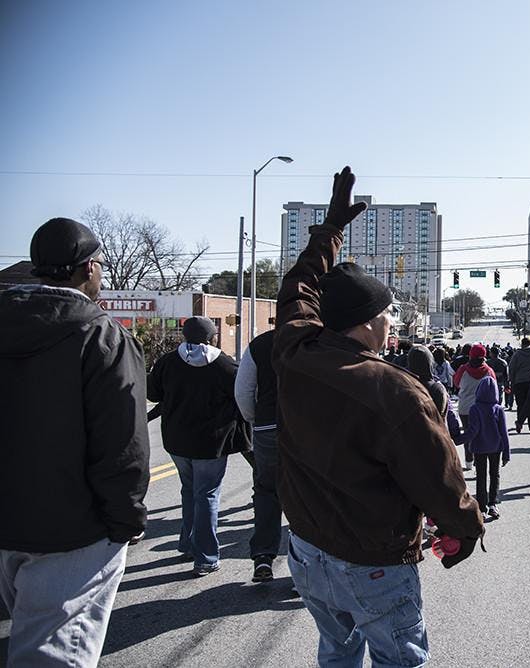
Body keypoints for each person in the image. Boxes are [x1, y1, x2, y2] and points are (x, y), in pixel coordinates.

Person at [273, 166, 484, 666]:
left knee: (337, 654)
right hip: (370, 563)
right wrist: (467, 528)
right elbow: (439, 480)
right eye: (389, 313)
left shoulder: (294, 350)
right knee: (398, 660)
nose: (393, 321)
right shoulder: (395, 391)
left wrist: (330, 230)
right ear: (368, 323)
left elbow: (299, 285)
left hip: (305, 548)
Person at [0, 217, 150, 667]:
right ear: (88, 268)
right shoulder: (100, 335)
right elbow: (122, 442)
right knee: (51, 654)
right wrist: (126, 520)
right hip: (72, 532)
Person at [148, 316, 250, 575]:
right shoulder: (224, 364)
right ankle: (205, 557)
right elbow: (243, 395)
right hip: (211, 442)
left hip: (176, 440)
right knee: (207, 494)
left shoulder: (168, 362)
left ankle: (189, 543)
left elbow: (152, 394)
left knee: (189, 490)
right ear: (212, 336)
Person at [235, 328, 283, 583]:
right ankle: (305, 568)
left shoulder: (260, 344)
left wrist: (255, 418)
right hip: (311, 427)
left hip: (267, 427)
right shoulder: (319, 338)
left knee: (266, 490)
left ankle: (264, 555)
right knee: (308, 495)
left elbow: (243, 392)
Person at [465, 376, 511, 520]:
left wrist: (458, 439)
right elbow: (504, 433)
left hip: (479, 447)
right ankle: (493, 504)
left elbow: (472, 431)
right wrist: (506, 453)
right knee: (494, 475)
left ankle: (482, 506)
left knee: (481, 477)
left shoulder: (474, 409)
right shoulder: (498, 409)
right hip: (496, 447)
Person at [453, 343, 497, 470]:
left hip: (465, 407)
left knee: (468, 434)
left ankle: (469, 460)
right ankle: (480, 460)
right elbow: (494, 390)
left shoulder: (463, 369)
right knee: (481, 434)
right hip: (483, 409)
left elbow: (456, 383)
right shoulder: (488, 371)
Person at [508, 336, 530, 433]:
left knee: (521, 404)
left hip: (520, 382)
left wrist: (512, 381)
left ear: (522, 344)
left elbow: (512, 369)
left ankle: (520, 423)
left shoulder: (517, 355)